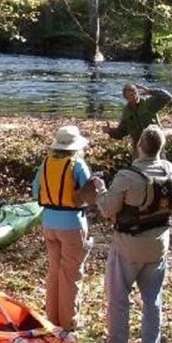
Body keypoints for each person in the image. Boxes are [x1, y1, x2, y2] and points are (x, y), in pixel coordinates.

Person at [96, 126, 172, 343]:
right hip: (159, 242)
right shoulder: (169, 169)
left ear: (139, 145)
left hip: (128, 245)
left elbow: (107, 209)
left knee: (118, 298)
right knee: (153, 298)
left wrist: (101, 190)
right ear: (160, 147)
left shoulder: (126, 176)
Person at [32, 124, 105, 330]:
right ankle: (69, 323)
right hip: (72, 224)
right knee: (71, 274)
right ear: (75, 146)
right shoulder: (78, 165)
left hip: (49, 224)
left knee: (54, 271)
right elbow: (90, 194)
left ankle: (52, 319)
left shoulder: (45, 164)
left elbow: (35, 191)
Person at [104, 83, 172, 150]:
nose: (134, 96)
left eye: (135, 92)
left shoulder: (148, 104)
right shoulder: (126, 112)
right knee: (136, 161)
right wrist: (110, 131)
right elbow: (122, 132)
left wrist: (150, 91)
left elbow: (167, 97)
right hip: (138, 146)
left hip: (155, 142)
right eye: (131, 95)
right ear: (126, 98)